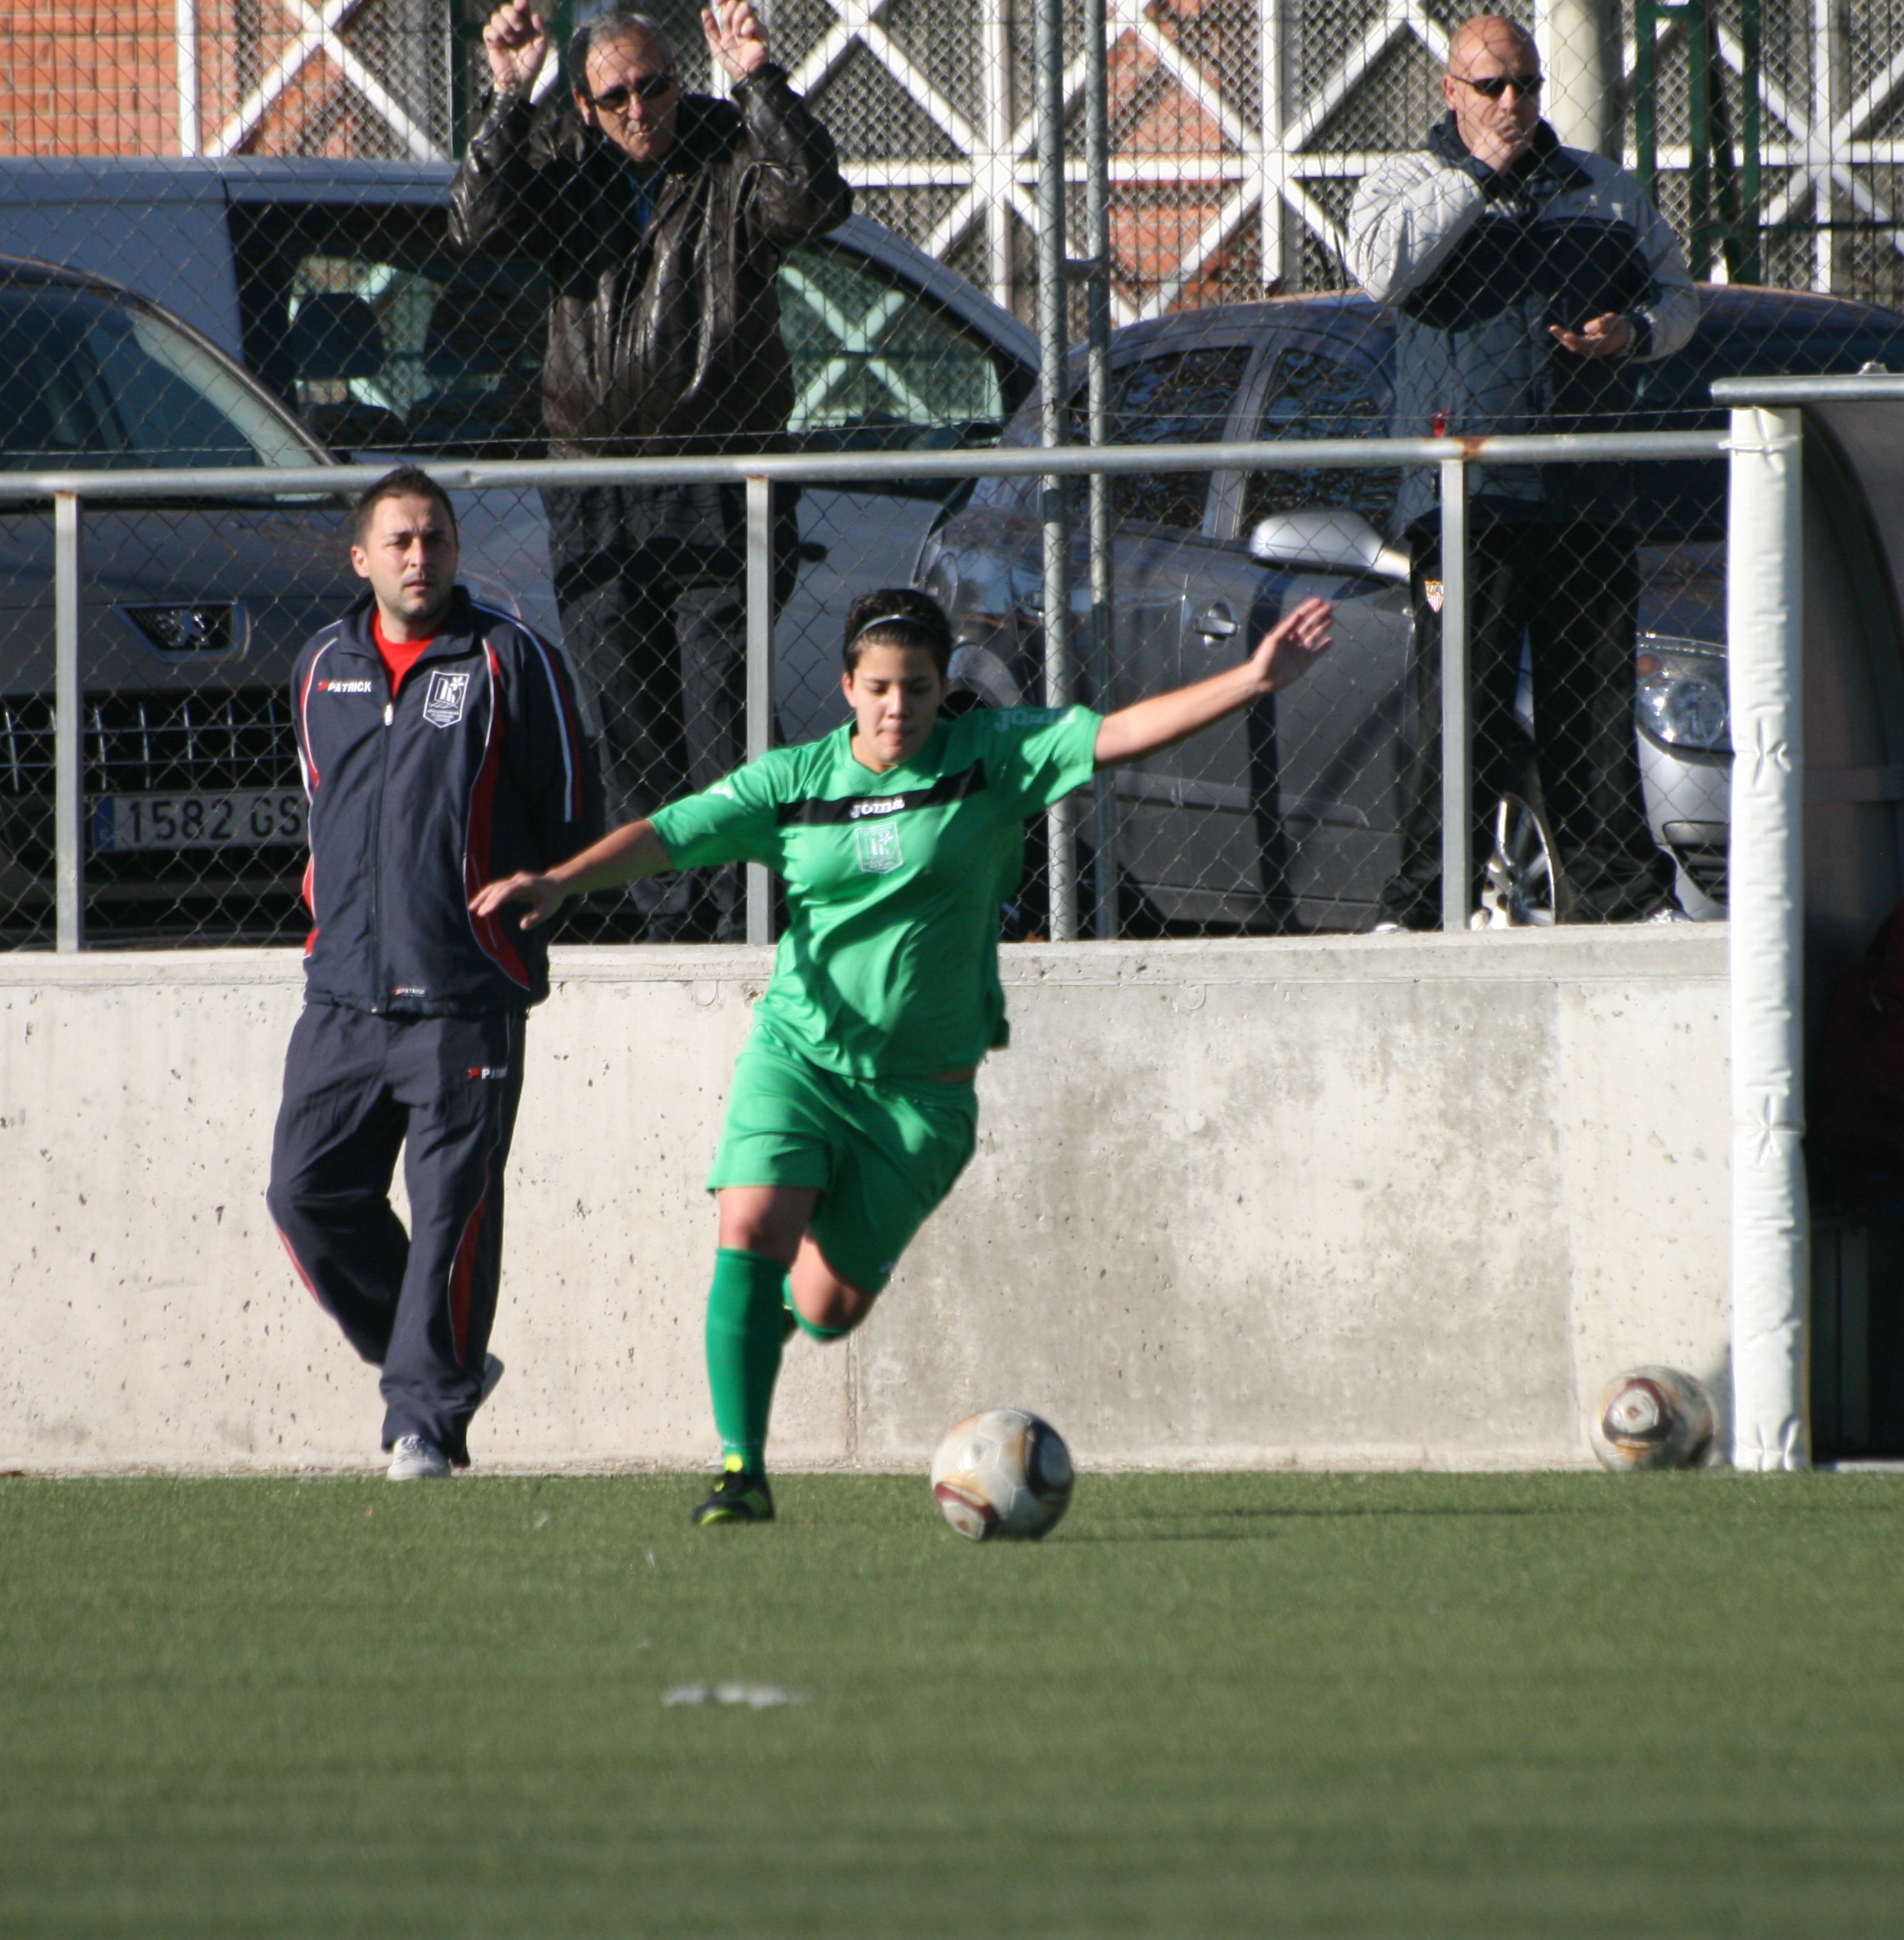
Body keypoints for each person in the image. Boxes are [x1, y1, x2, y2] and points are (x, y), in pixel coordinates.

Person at [475, 586, 1338, 1524]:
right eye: (880, 688)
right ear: (848, 686)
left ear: (941, 687)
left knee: (828, 1309)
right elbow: (672, 833)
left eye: (918, 689)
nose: (898, 708)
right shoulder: (794, 781)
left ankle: (763, 1329)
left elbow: (1117, 735)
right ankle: (741, 1470)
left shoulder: (992, 756)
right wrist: (558, 881)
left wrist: (1253, 679)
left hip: (921, 1099)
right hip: (800, 1055)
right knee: (750, 1226)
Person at [450, 1, 850, 942]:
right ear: (585, 105)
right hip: (595, 488)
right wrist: (508, 95)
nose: (641, 109)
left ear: (680, 78)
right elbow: (477, 225)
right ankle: (673, 923)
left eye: (656, 85)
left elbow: (815, 203)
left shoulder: (729, 152)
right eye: (617, 95)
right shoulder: (564, 161)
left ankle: (747, 920)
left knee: (722, 712)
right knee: (627, 716)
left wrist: (758, 79)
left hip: (719, 481)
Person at [264, 468, 602, 1480]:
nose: (421, 558)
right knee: (306, 1196)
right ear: (360, 558)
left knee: (452, 1214)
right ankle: (435, 1362)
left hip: (465, 992)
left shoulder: (510, 658)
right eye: (401, 542)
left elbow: (573, 809)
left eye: (437, 540)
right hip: (342, 995)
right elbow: (325, 810)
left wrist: (543, 886)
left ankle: (426, 1421)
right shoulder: (320, 667)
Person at [1340, 14, 1697, 927]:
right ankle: (1427, 905)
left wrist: (1634, 333)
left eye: (1528, 86)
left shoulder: (1600, 189)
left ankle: (1624, 899)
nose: (1513, 103)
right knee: (1462, 706)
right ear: (1451, 91)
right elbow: (1380, 269)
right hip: (1470, 501)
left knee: (1594, 706)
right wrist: (1478, 175)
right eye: (1492, 86)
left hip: (1582, 492)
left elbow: (1678, 294)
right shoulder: (1409, 183)